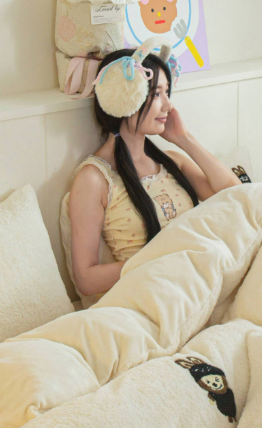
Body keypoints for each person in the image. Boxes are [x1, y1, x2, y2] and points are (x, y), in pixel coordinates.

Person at [61, 46, 241, 306]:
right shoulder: (95, 179)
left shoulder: (173, 161)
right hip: (155, 296)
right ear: (123, 98)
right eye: (157, 94)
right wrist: (162, 259)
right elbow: (86, 279)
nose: (168, 105)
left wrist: (184, 139)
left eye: (167, 92)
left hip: (202, 283)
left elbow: (238, 197)